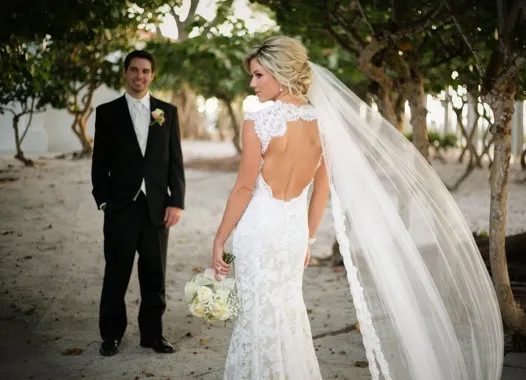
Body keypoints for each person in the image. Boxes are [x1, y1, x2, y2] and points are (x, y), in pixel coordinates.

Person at [213, 36, 504, 380]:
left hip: (259, 232)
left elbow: (245, 187)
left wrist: (219, 240)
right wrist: (306, 240)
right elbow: (321, 189)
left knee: (257, 315)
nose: (253, 83)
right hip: (292, 236)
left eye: (259, 75)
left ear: (281, 72)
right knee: (287, 313)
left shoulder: (257, 122)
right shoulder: (321, 123)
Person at [91, 50, 185, 357]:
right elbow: (99, 161)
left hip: (157, 208)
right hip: (120, 206)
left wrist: (176, 201)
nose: (139, 76)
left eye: (145, 71)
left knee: (155, 273)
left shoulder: (167, 112)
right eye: (134, 70)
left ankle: (152, 335)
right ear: (125, 73)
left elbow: (175, 162)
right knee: (116, 272)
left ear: (152, 75)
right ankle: (111, 334)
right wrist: (103, 200)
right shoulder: (107, 112)